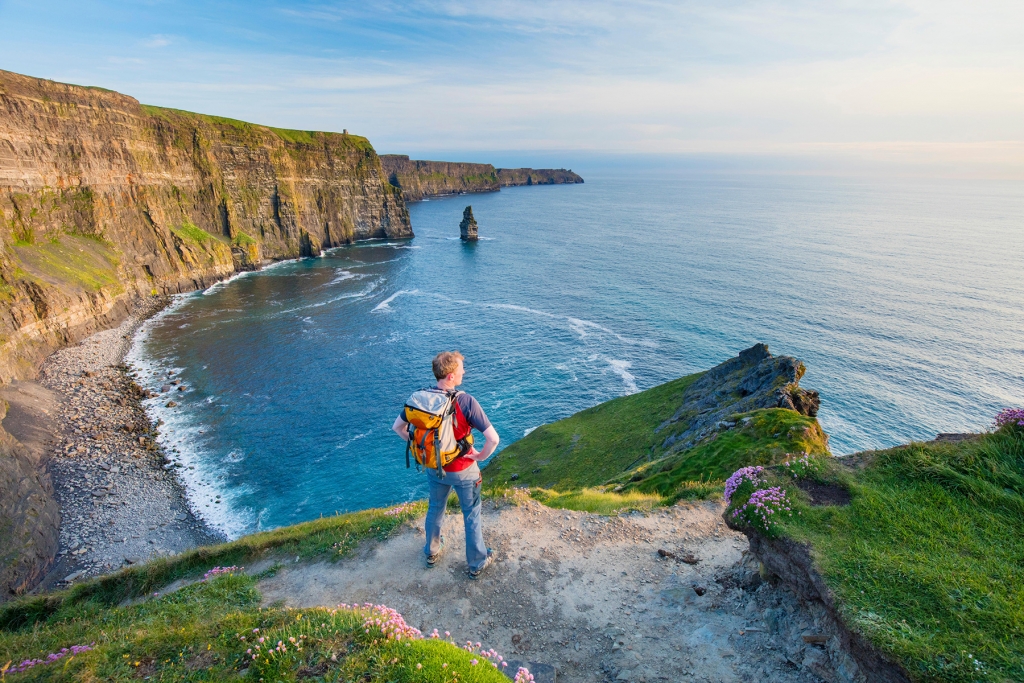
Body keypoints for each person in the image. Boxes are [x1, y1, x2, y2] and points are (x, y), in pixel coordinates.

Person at [392, 351, 500, 578]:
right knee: (471, 514)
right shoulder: (466, 401)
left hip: (435, 467)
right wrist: (480, 457)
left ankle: (431, 551)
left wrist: (417, 446)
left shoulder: (420, 399)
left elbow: (398, 428)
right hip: (464, 470)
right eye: (461, 368)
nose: (464, 371)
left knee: (435, 508)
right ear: (450, 375)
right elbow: (494, 439)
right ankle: (476, 563)